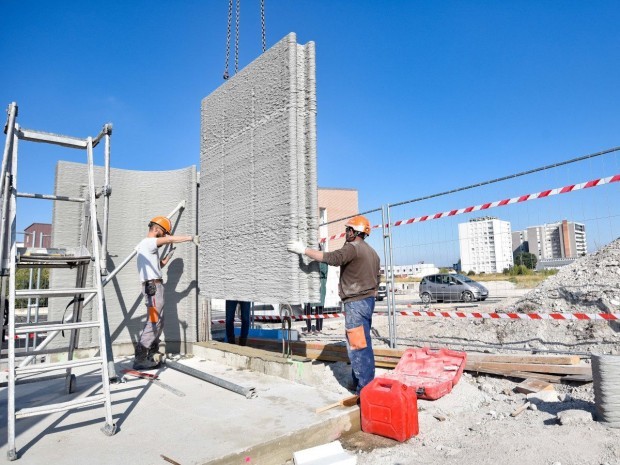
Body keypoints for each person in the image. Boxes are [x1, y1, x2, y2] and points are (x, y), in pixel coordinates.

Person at [287, 215, 380, 394]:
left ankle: (365, 389)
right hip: (368, 302)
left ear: (354, 232)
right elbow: (377, 278)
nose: (346, 233)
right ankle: (359, 381)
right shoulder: (372, 252)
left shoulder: (352, 248)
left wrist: (304, 250)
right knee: (364, 342)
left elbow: (332, 258)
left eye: (348, 230)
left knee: (357, 345)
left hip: (356, 303)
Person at [134, 216, 199, 370]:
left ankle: (151, 352)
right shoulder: (149, 242)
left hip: (154, 287)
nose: (164, 237)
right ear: (156, 229)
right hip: (153, 288)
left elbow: (158, 266)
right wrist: (190, 238)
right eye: (163, 234)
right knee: (154, 321)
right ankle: (140, 358)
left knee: (158, 321)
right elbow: (171, 239)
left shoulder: (146, 247)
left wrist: (168, 256)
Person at [304, 244, 328, 334]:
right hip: (309, 288)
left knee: (319, 308)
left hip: (319, 288)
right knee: (307, 307)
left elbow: (322, 271)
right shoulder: (309, 260)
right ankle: (309, 328)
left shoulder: (323, 260)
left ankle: (318, 329)